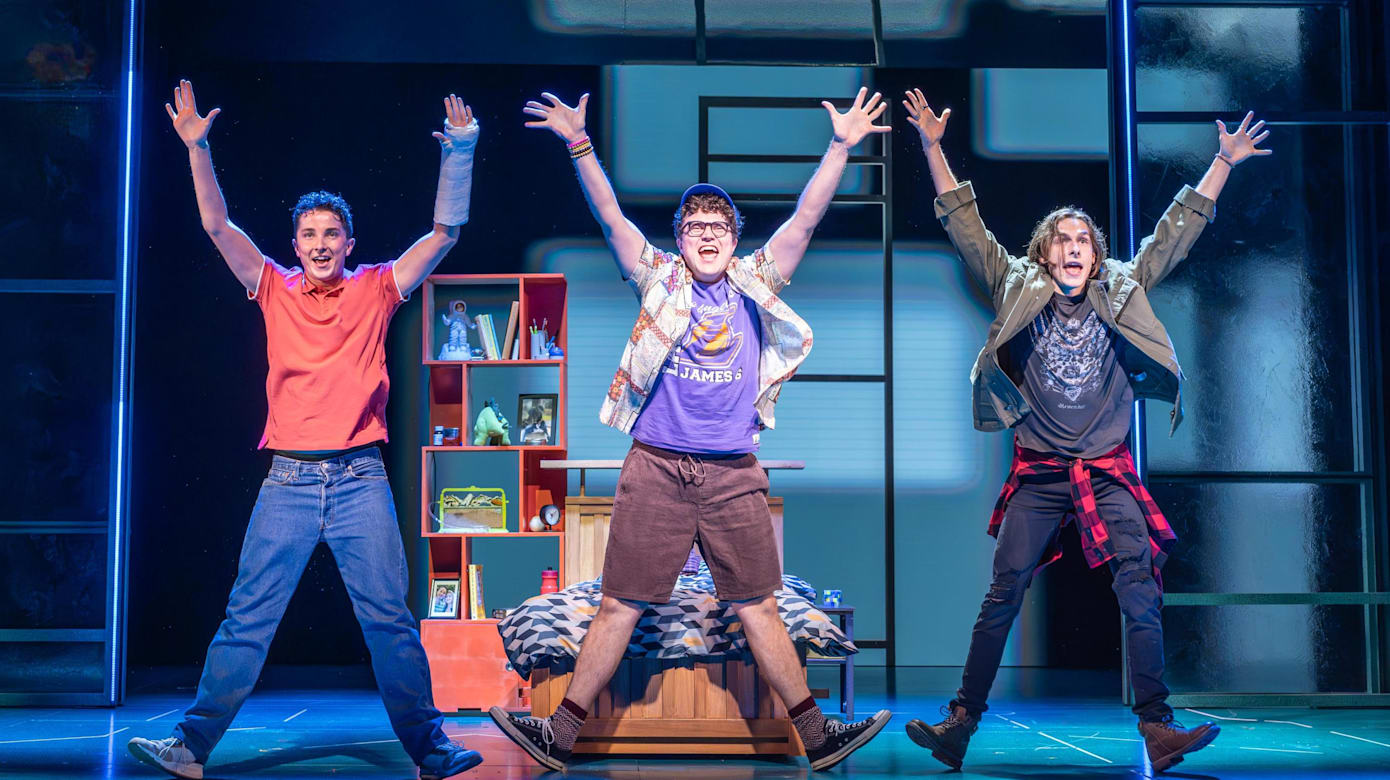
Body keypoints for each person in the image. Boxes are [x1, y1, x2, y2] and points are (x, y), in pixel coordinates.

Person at [487, 87, 894, 772]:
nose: (708, 234)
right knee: (619, 604)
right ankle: (558, 734)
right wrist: (579, 143)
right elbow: (610, 215)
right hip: (656, 469)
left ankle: (818, 737)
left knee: (759, 606)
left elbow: (805, 217)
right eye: (696, 225)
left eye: (720, 226)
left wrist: (840, 146)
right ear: (679, 239)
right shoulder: (658, 280)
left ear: (734, 240)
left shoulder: (755, 282)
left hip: (733, 474)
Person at [898, 88, 1271, 773]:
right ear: (1043, 254)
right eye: (1061, 241)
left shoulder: (1121, 288)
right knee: (1003, 593)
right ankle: (959, 723)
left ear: (1095, 257)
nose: (1073, 249)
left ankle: (1157, 727)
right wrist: (931, 147)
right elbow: (966, 227)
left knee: (1140, 585)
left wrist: (1221, 163)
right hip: (1041, 472)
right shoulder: (1016, 285)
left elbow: (1173, 236)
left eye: (1083, 242)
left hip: (1105, 469)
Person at [126, 80, 484, 780]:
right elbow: (217, 228)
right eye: (309, 236)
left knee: (390, 623)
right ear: (295, 244)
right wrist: (197, 149)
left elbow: (444, 234)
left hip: (359, 479)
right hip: (288, 481)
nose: (320, 245)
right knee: (247, 619)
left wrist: (460, 152)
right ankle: (191, 748)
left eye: (331, 234)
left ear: (349, 242)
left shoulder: (377, 287)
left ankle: (431, 750)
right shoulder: (272, 287)